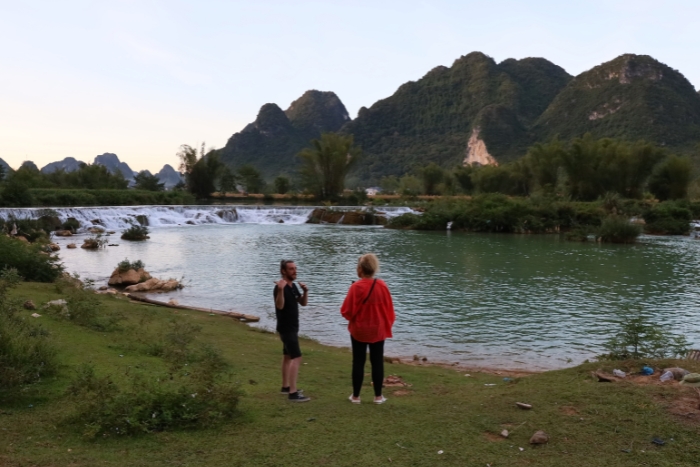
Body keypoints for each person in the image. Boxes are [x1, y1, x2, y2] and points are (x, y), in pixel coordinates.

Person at [341, 253, 395, 404]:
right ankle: (378, 396)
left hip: (359, 329)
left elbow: (346, 311)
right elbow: (389, 310)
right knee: (377, 362)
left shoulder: (356, 287)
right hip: (378, 329)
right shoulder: (382, 285)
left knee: (358, 361)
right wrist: (386, 324)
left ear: (360, 269)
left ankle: (356, 396)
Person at [274, 259, 310, 402]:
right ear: (284, 271)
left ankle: (285, 387)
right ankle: (293, 393)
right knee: (297, 357)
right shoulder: (279, 287)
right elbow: (280, 306)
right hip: (286, 328)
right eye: (291, 269)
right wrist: (281, 290)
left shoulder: (293, 286)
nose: (295, 271)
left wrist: (305, 291)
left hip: (292, 327)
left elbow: (303, 303)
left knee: (287, 356)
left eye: (295, 268)